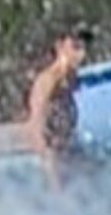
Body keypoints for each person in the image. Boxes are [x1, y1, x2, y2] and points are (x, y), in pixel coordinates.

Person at [22, 27, 88, 190]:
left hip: (65, 155)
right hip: (47, 161)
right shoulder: (48, 80)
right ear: (60, 47)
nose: (82, 55)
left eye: (84, 48)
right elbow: (35, 126)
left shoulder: (71, 81)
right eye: (76, 47)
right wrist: (51, 172)